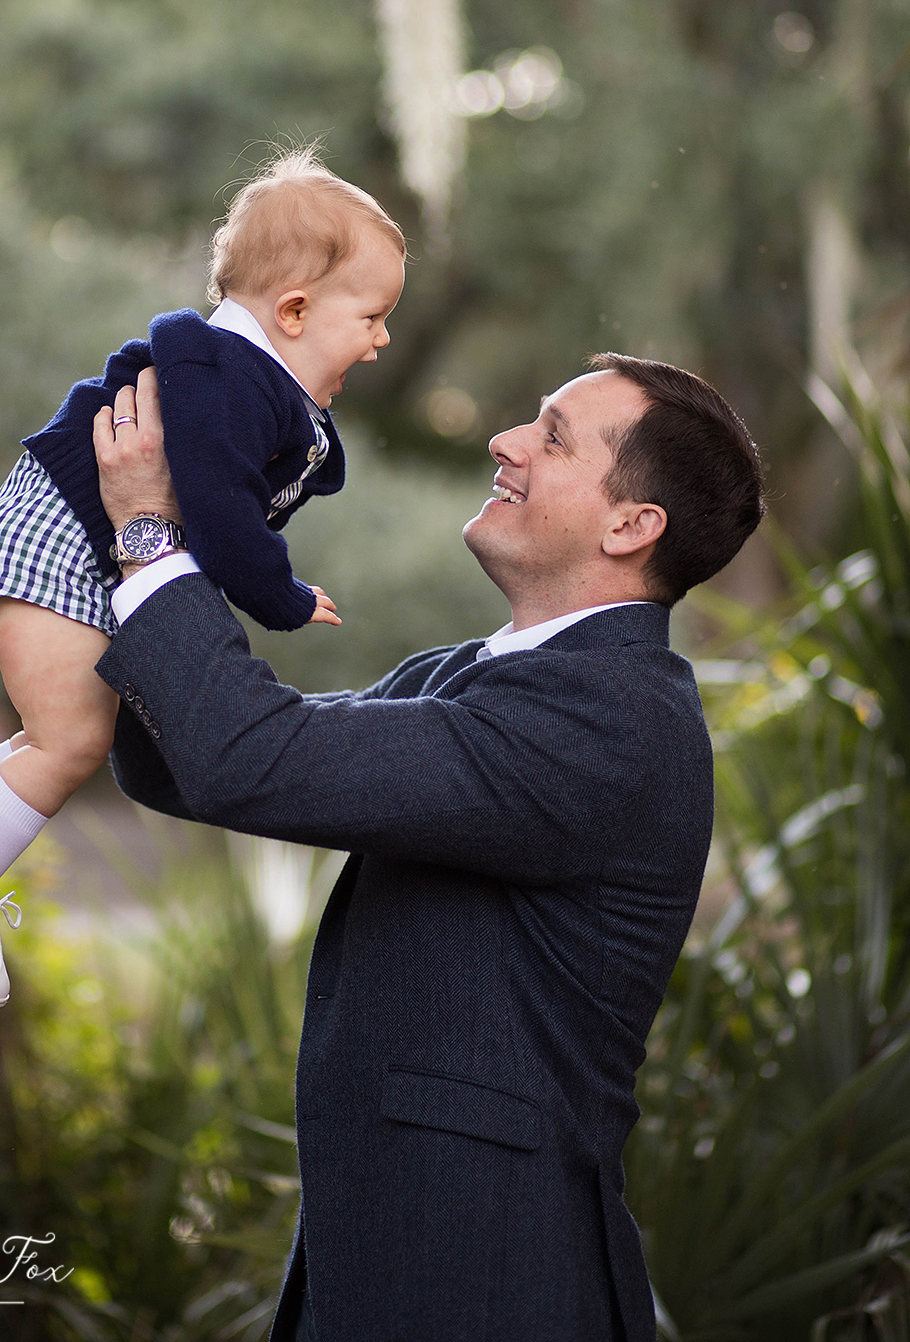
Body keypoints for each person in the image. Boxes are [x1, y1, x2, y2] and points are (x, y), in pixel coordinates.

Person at [90, 352, 765, 1342]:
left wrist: (152, 536)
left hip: (486, 1286)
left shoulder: (613, 723)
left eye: (551, 435)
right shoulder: (462, 675)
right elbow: (188, 762)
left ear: (632, 525)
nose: (505, 442)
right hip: (393, 1273)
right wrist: (175, 536)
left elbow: (246, 755)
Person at [0, 153, 407, 1007]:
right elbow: (220, 508)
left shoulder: (245, 381)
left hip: (72, 547)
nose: (383, 340)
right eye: (374, 316)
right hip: (60, 543)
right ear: (296, 310)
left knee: (57, 735)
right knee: (71, 743)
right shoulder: (226, 377)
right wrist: (280, 594)